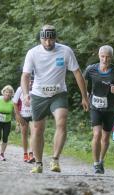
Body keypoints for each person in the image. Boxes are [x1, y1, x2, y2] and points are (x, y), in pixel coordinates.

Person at [21, 24, 89, 173]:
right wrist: (26, 94)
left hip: (58, 93)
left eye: (51, 40)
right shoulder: (32, 53)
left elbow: (77, 73)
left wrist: (85, 96)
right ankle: (38, 163)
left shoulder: (65, 51)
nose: (48, 43)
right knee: (38, 129)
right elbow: (25, 75)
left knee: (62, 120)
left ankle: (55, 159)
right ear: (40, 39)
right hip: (38, 94)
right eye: (45, 40)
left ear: (55, 38)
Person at [84, 45, 114, 174]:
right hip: (95, 106)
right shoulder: (91, 69)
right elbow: (84, 82)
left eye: (108, 57)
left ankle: (102, 160)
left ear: (111, 57)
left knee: (105, 137)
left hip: (110, 108)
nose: (105, 59)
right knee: (97, 134)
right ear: (99, 56)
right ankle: (96, 163)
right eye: (102, 56)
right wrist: (85, 95)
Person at [0, 85, 15, 161]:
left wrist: (18, 123)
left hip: (7, 122)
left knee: (5, 138)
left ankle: (2, 154)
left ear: (11, 94)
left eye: (10, 92)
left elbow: (16, 113)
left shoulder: (13, 102)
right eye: (6, 92)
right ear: (3, 92)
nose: (8, 94)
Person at [13, 78, 35, 163]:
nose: (30, 83)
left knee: (34, 134)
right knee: (24, 135)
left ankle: (31, 154)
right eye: (29, 81)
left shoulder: (36, 89)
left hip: (33, 115)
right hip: (23, 115)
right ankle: (25, 154)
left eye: (32, 82)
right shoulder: (20, 89)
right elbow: (14, 103)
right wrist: (18, 116)